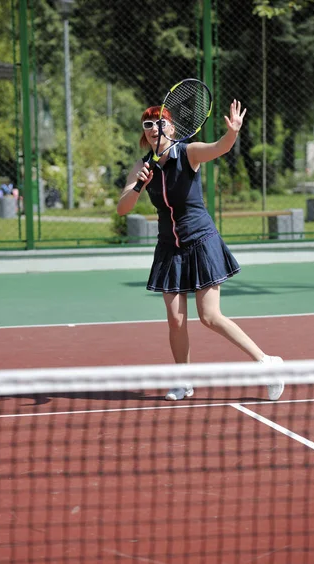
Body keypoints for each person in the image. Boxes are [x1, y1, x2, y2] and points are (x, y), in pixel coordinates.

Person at [117, 99, 284, 401]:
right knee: (176, 320)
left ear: (171, 127)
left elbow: (219, 147)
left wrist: (232, 132)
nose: (155, 128)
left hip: (200, 240)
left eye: (160, 122)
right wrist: (139, 185)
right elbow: (122, 208)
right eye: (148, 124)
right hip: (170, 247)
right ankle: (184, 380)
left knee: (209, 316)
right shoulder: (143, 166)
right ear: (144, 134)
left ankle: (268, 363)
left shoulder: (188, 152)